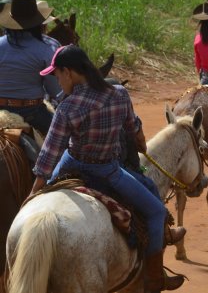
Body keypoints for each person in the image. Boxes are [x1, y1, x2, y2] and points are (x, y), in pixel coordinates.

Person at [31, 45, 187, 292]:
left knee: (33, 208)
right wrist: (141, 142)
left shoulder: (68, 107)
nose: (57, 81)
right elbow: (133, 128)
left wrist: (35, 191)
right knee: (156, 212)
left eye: (57, 75)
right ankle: (155, 277)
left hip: (70, 164)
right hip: (109, 171)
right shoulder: (119, 94)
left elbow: (49, 155)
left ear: (69, 72)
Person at [0, 0, 62, 138]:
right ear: (38, 21)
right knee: (63, 139)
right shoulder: (45, 50)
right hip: (31, 111)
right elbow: (55, 91)